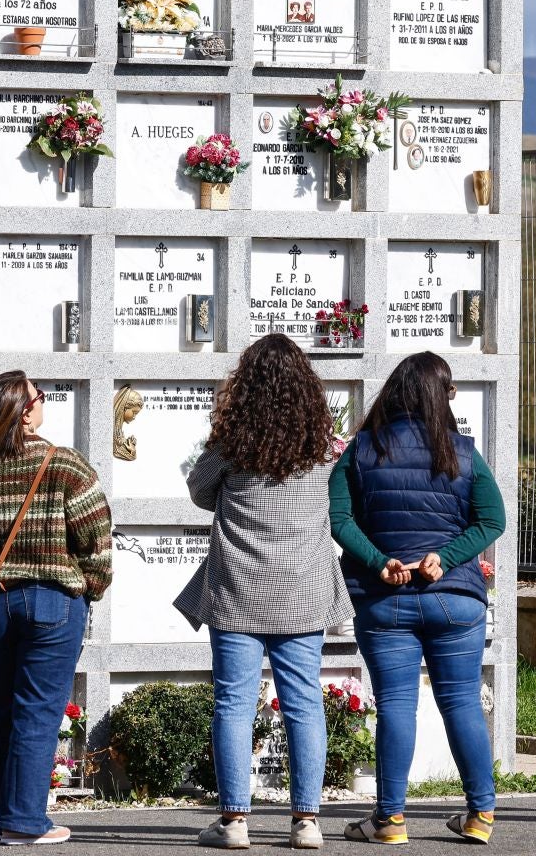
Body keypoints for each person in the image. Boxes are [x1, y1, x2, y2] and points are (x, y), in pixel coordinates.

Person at [174, 335, 350, 852]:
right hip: (302, 591)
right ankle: (306, 822)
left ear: (245, 385)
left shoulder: (231, 444)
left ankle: (232, 822)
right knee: (303, 704)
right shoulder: (322, 447)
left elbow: (200, 491)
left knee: (233, 703)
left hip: (238, 590)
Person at [332, 352, 505, 845]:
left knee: (396, 706)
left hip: (386, 600)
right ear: (439, 396)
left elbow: (339, 519)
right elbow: (493, 521)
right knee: (462, 703)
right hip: (456, 603)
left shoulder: (362, 449)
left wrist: (378, 559)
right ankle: (480, 815)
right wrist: (446, 557)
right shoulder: (464, 452)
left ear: (396, 390)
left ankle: (389, 820)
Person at [0, 372, 114, 846]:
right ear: (24, 411)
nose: (45, 402)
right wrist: (91, 589)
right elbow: (96, 537)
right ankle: (25, 823)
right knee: (38, 712)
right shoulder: (66, 465)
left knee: (0, 710)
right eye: (39, 397)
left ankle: (8, 818)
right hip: (52, 600)